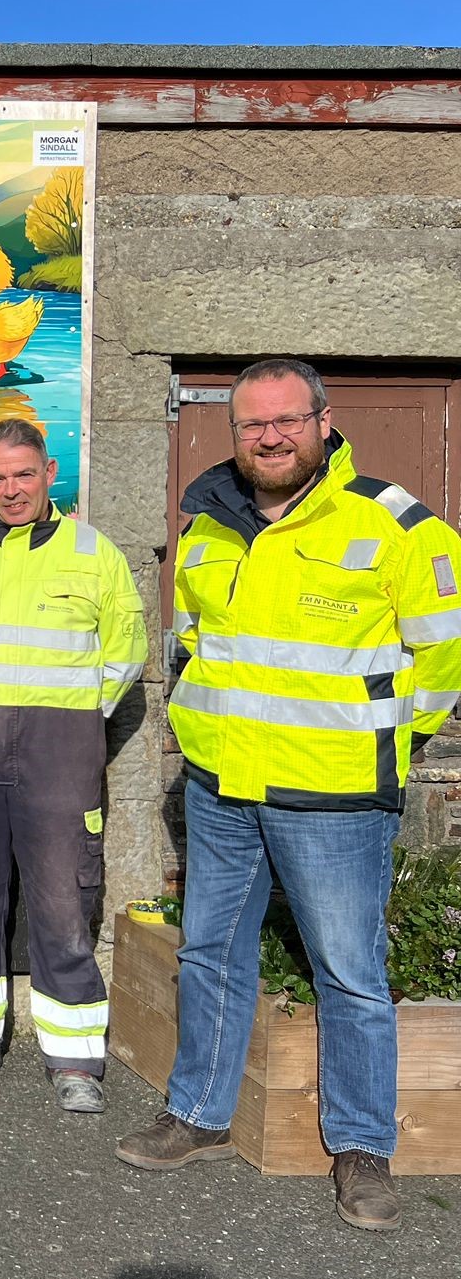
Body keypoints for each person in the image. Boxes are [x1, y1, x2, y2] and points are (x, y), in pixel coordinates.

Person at [117, 359, 461, 1233]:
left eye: (287, 421)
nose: (270, 437)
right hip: (225, 785)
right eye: (252, 425)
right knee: (210, 952)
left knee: (350, 973)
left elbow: (443, 656)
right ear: (234, 433)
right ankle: (196, 1115)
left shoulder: (397, 526)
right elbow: (193, 644)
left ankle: (360, 1150)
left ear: (323, 420)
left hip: (335, 796)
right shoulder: (209, 528)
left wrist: (387, 742)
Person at [0, 418, 146, 1113]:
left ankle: (74, 1057)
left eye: (23, 474)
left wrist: (74, 714)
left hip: (61, 744)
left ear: (49, 473)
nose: (10, 490)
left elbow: (127, 649)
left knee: (63, 899)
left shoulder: (93, 552)